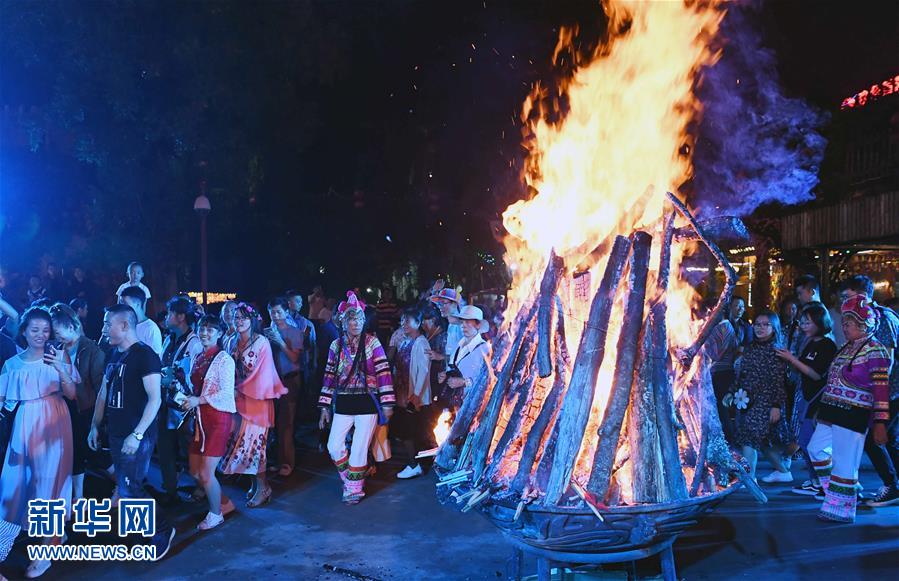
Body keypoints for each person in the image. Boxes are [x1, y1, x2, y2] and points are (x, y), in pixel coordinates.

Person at [88, 304, 175, 559]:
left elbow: (155, 399)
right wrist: (95, 424)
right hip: (116, 433)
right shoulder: (113, 354)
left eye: (107, 323)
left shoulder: (145, 355)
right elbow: (103, 393)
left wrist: (137, 435)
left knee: (130, 488)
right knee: (126, 487)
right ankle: (140, 531)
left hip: (137, 435)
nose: (103, 328)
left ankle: (162, 529)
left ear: (124, 325)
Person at [0, 308, 77, 577]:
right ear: (23, 331)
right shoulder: (12, 364)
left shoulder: (58, 356)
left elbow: (72, 393)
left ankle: (48, 549)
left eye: (46, 330)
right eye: (35, 330)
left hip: (55, 421)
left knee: (50, 485)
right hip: (25, 423)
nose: (41, 335)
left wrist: (60, 368)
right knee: (16, 484)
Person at [807, 295, 892, 522]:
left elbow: (881, 390)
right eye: (844, 323)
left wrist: (880, 423)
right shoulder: (847, 347)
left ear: (865, 324)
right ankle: (843, 490)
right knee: (815, 449)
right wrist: (821, 411)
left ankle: (841, 507)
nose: (845, 327)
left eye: (850, 323)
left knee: (845, 461)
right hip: (832, 412)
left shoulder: (875, 350)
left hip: (854, 413)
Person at [319, 291, 394, 504]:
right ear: (343, 322)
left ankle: (354, 488)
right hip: (343, 402)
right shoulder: (336, 345)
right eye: (351, 319)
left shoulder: (372, 343)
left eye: (359, 319)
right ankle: (352, 477)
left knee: (359, 448)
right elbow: (328, 376)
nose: (356, 323)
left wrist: (387, 402)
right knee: (334, 446)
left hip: (367, 402)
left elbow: (383, 373)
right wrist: (324, 406)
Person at [839, 275, 899, 507]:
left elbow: (886, 359)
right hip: (889, 390)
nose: (843, 302)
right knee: (891, 439)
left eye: (847, 296)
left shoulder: (881, 318)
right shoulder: (878, 316)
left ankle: (891, 485)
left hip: (890, 390)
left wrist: (876, 392)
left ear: (862, 296)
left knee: (874, 437)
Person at [220, 302, 286, 507]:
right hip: (237, 402)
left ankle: (263, 486)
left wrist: (238, 388)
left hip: (256, 403)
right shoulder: (231, 341)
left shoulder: (261, 343)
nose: (239, 321)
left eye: (243, 318)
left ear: (252, 320)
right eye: (236, 317)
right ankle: (255, 485)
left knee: (254, 447)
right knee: (240, 447)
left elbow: (264, 376)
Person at [775, 303, 838, 496]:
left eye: (807, 321)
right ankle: (815, 481)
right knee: (806, 442)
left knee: (812, 444)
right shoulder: (810, 342)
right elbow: (802, 368)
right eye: (802, 320)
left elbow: (816, 375)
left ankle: (825, 484)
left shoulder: (827, 345)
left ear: (820, 322)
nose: (802, 324)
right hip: (807, 398)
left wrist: (792, 359)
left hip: (819, 402)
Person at [182, 315, 236, 530]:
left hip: (218, 419)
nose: (205, 333)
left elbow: (225, 392)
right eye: (202, 328)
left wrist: (199, 400)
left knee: (206, 473)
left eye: (210, 329)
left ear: (220, 333)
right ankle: (224, 503)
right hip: (200, 419)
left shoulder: (224, 359)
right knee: (195, 472)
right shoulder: (199, 357)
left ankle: (215, 514)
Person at [49, 303, 105, 504]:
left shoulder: (92, 350)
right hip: (65, 408)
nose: (56, 337)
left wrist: (98, 422)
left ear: (72, 326)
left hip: (86, 408)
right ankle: (77, 496)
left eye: (58, 332)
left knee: (94, 455)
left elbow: (100, 388)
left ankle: (126, 485)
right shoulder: (57, 348)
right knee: (75, 453)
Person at [732, 310, 790, 482]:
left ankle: (749, 479)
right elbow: (741, 375)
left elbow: (779, 381)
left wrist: (776, 406)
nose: (760, 328)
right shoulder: (750, 348)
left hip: (766, 401)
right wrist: (731, 392)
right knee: (763, 441)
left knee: (749, 437)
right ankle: (783, 471)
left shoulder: (777, 351)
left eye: (766, 324)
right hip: (748, 399)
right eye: (757, 324)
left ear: (774, 327)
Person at [157, 296, 203, 505]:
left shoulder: (194, 343)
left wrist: (173, 378)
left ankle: (202, 487)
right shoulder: (169, 338)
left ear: (181, 317)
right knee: (166, 447)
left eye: (169, 314)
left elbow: (196, 377)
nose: (166, 318)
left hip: (185, 406)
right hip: (166, 402)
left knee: (189, 448)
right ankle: (170, 489)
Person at [265, 297, 304, 477]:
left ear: (286, 312)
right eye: (272, 312)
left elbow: (295, 358)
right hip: (271, 381)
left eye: (279, 312)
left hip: (289, 381)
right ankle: (278, 460)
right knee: (274, 423)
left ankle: (288, 462)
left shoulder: (295, 332)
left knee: (286, 423)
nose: (276, 315)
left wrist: (280, 341)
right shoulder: (266, 333)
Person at [705, 296, 750, 444]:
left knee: (723, 407)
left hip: (723, 371)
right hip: (723, 371)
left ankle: (730, 438)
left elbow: (717, 352)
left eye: (742, 306)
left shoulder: (727, 326)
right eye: (737, 305)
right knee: (723, 406)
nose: (740, 309)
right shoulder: (726, 326)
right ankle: (731, 437)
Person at [393, 307, 432, 479]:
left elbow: (423, 372)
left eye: (408, 321)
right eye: (402, 321)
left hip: (414, 398)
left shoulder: (422, 342)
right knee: (407, 431)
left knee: (410, 431)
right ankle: (415, 463)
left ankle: (414, 464)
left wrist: (415, 396)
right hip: (403, 394)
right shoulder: (406, 341)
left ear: (418, 323)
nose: (404, 324)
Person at [439, 305, 490, 411]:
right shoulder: (459, 346)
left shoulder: (484, 349)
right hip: (455, 405)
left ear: (478, 325)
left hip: (473, 407)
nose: (463, 326)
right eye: (462, 322)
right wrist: (446, 376)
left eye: (468, 322)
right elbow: (454, 370)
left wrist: (463, 382)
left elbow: (488, 380)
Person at [119, 286, 163, 357]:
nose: (122, 308)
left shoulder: (151, 329)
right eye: (121, 304)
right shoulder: (124, 325)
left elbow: (155, 358)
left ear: (138, 304)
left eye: (125, 304)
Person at [429, 288, 465, 364]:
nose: (439, 306)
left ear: (455, 304)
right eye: (438, 304)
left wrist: (440, 357)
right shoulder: (451, 325)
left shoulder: (462, 326)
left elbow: (465, 354)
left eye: (443, 303)